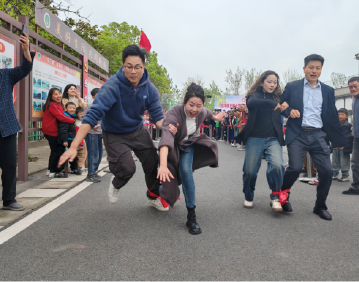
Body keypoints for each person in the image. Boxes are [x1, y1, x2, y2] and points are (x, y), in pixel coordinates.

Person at [59, 44, 177, 210]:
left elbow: (158, 117)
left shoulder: (150, 89)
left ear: (143, 67)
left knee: (152, 161)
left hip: (137, 130)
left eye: (138, 67)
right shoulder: (111, 87)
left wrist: (169, 128)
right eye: (129, 67)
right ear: (123, 66)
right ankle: (116, 183)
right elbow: (92, 116)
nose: (133, 71)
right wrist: (73, 146)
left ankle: (153, 195)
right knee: (127, 168)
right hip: (114, 133)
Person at [278, 54, 346, 221]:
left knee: (327, 171)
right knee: (294, 168)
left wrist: (339, 139)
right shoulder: (292, 86)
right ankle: (282, 197)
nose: (314, 71)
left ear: (321, 70)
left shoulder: (328, 90)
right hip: (297, 133)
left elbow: (331, 115)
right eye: (311, 67)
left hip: (317, 134)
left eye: (318, 68)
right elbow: (281, 103)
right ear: (304, 69)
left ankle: (320, 206)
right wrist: (288, 111)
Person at [157, 83, 225, 234]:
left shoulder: (202, 112)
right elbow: (166, 139)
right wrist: (162, 165)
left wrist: (217, 117)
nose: (194, 109)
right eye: (191, 105)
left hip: (189, 145)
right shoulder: (174, 113)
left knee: (186, 172)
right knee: (169, 184)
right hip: (173, 148)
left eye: (199, 105)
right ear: (185, 102)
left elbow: (209, 113)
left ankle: (191, 216)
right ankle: (157, 189)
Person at [234, 71, 285, 211]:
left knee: (277, 165)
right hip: (254, 137)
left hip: (273, 137)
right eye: (269, 81)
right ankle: (249, 196)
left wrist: (289, 108)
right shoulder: (254, 96)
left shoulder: (279, 97)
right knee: (250, 170)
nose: (273, 85)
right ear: (262, 82)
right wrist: (272, 103)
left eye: (275, 82)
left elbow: (287, 107)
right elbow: (251, 104)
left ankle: (275, 196)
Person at [0, 33, 35, 211]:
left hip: (6, 126)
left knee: (9, 165)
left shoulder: (5, 74)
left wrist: (26, 49)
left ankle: (9, 200)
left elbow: (25, 68)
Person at [42, 88, 75, 178]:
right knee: (57, 151)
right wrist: (73, 120)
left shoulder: (57, 104)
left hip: (51, 131)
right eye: (55, 94)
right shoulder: (53, 105)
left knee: (54, 151)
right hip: (52, 131)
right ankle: (55, 171)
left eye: (59, 93)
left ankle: (50, 170)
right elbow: (61, 117)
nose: (58, 96)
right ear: (51, 96)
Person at [83, 88, 103, 183]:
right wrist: (92, 124)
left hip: (100, 133)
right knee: (93, 154)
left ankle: (94, 172)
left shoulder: (104, 107)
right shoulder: (90, 107)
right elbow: (83, 117)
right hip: (91, 133)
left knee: (99, 154)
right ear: (93, 97)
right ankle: (90, 174)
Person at [59, 102, 82, 175]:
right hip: (67, 140)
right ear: (66, 108)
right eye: (70, 108)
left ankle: (74, 168)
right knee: (64, 155)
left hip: (72, 139)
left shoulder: (72, 117)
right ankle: (60, 170)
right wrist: (65, 140)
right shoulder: (65, 117)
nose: (72, 109)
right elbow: (63, 129)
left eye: (74, 108)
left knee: (74, 155)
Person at [332, 108, 353, 182]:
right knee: (335, 160)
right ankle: (334, 174)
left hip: (344, 147)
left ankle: (345, 175)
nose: (340, 116)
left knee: (344, 161)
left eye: (342, 115)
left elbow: (349, 137)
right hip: (335, 145)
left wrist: (344, 144)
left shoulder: (349, 126)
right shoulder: (334, 124)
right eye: (338, 115)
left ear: (346, 116)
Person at [75, 106, 87, 174]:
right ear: (76, 114)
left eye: (83, 114)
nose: (82, 115)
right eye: (80, 114)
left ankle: (80, 167)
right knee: (79, 154)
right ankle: (77, 167)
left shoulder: (85, 122)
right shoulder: (75, 122)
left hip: (83, 141)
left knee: (82, 154)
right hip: (77, 141)